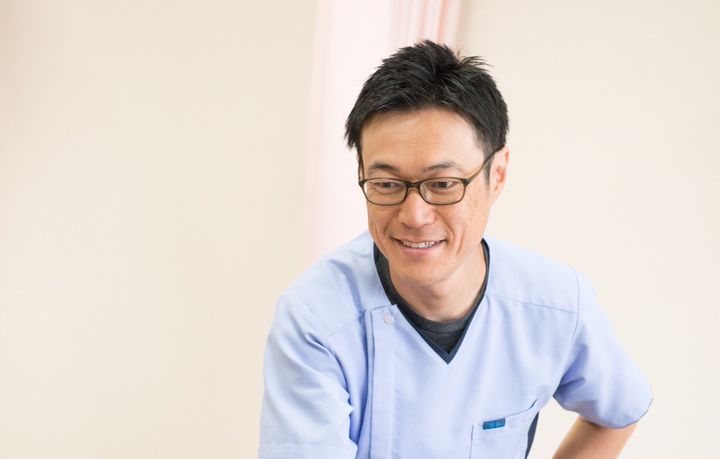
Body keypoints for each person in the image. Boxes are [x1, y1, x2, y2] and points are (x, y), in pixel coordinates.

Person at [258, 40, 652, 459]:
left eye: (443, 184)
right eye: (387, 184)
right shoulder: (316, 318)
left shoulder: (555, 302)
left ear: (497, 175)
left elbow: (617, 412)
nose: (414, 215)